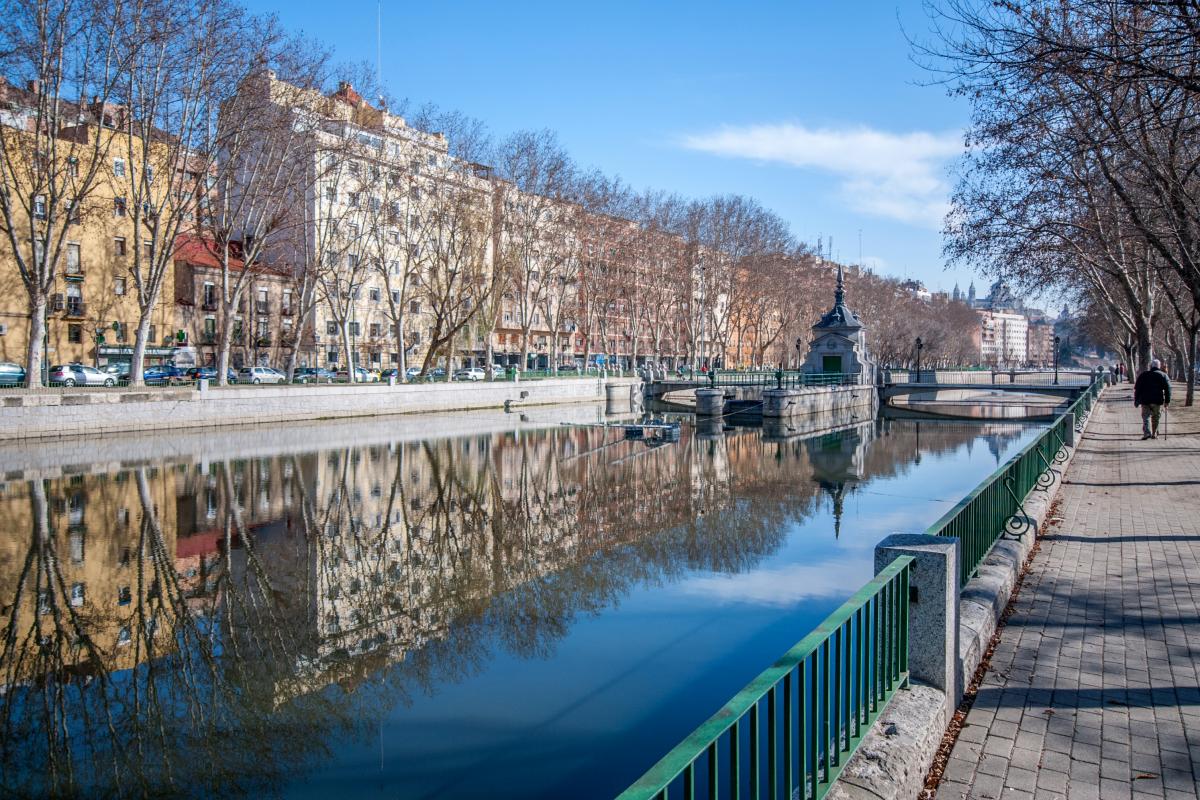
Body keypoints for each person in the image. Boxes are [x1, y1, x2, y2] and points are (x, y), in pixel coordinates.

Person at [1133, 358, 1171, 439]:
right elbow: (1168, 389)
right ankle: (1154, 433)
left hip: (1145, 400)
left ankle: (1147, 432)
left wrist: (1136, 400)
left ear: (1151, 366)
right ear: (1159, 366)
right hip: (1157, 400)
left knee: (1145, 417)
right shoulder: (1163, 375)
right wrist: (1167, 401)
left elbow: (1137, 388)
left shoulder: (1143, 375)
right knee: (1156, 417)